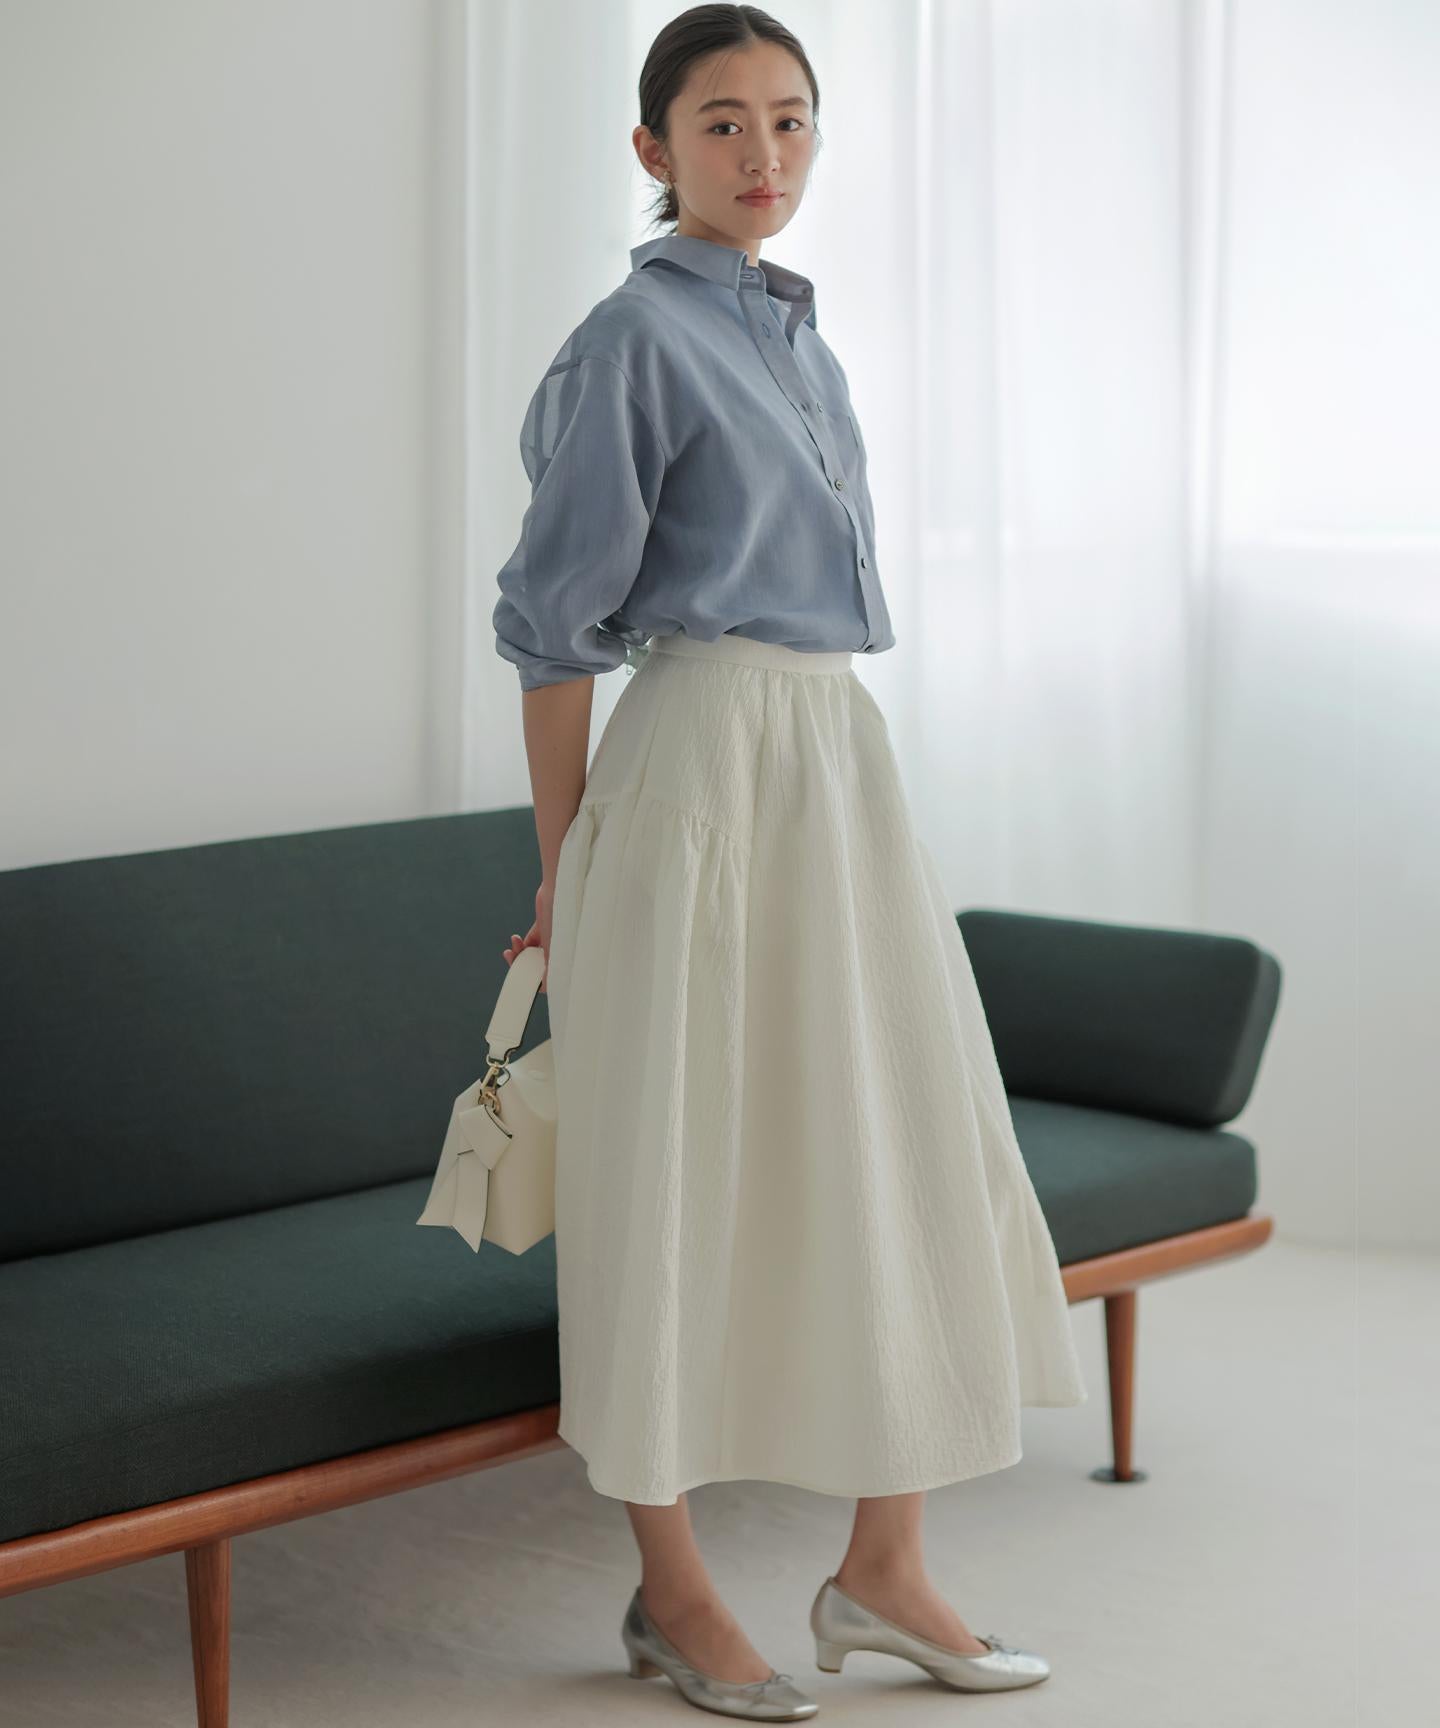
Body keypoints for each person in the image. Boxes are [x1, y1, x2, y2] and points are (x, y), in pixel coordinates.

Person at [492, 7, 1087, 1719]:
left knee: (904, 1140)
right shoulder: (629, 342)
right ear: (652, 148)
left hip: (834, 761)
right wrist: (564, 868)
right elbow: (550, 631)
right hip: (695, 763)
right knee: (669, 1175)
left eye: (792, 120)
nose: (764, 154)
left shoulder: (803, 342)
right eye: (723, 122)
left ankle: (883, 1567)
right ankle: (674, 1595)